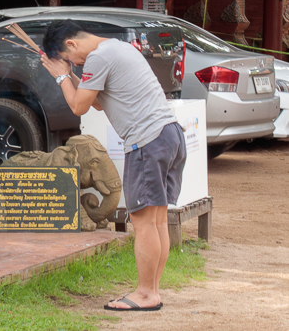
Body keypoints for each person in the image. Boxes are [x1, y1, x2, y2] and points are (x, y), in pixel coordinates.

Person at [40, 19, 186, 312]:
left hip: (147, 141)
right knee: (156, 220)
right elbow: (94, 102)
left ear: (71, 44)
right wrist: (69, 76)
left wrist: (61, 77)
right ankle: (152, 291)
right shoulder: (116, 48)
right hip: (169, 134)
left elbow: (78, 106)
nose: (74, 64)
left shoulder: (98, 57)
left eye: (70, 59)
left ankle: (145, 294)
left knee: (143, 222)